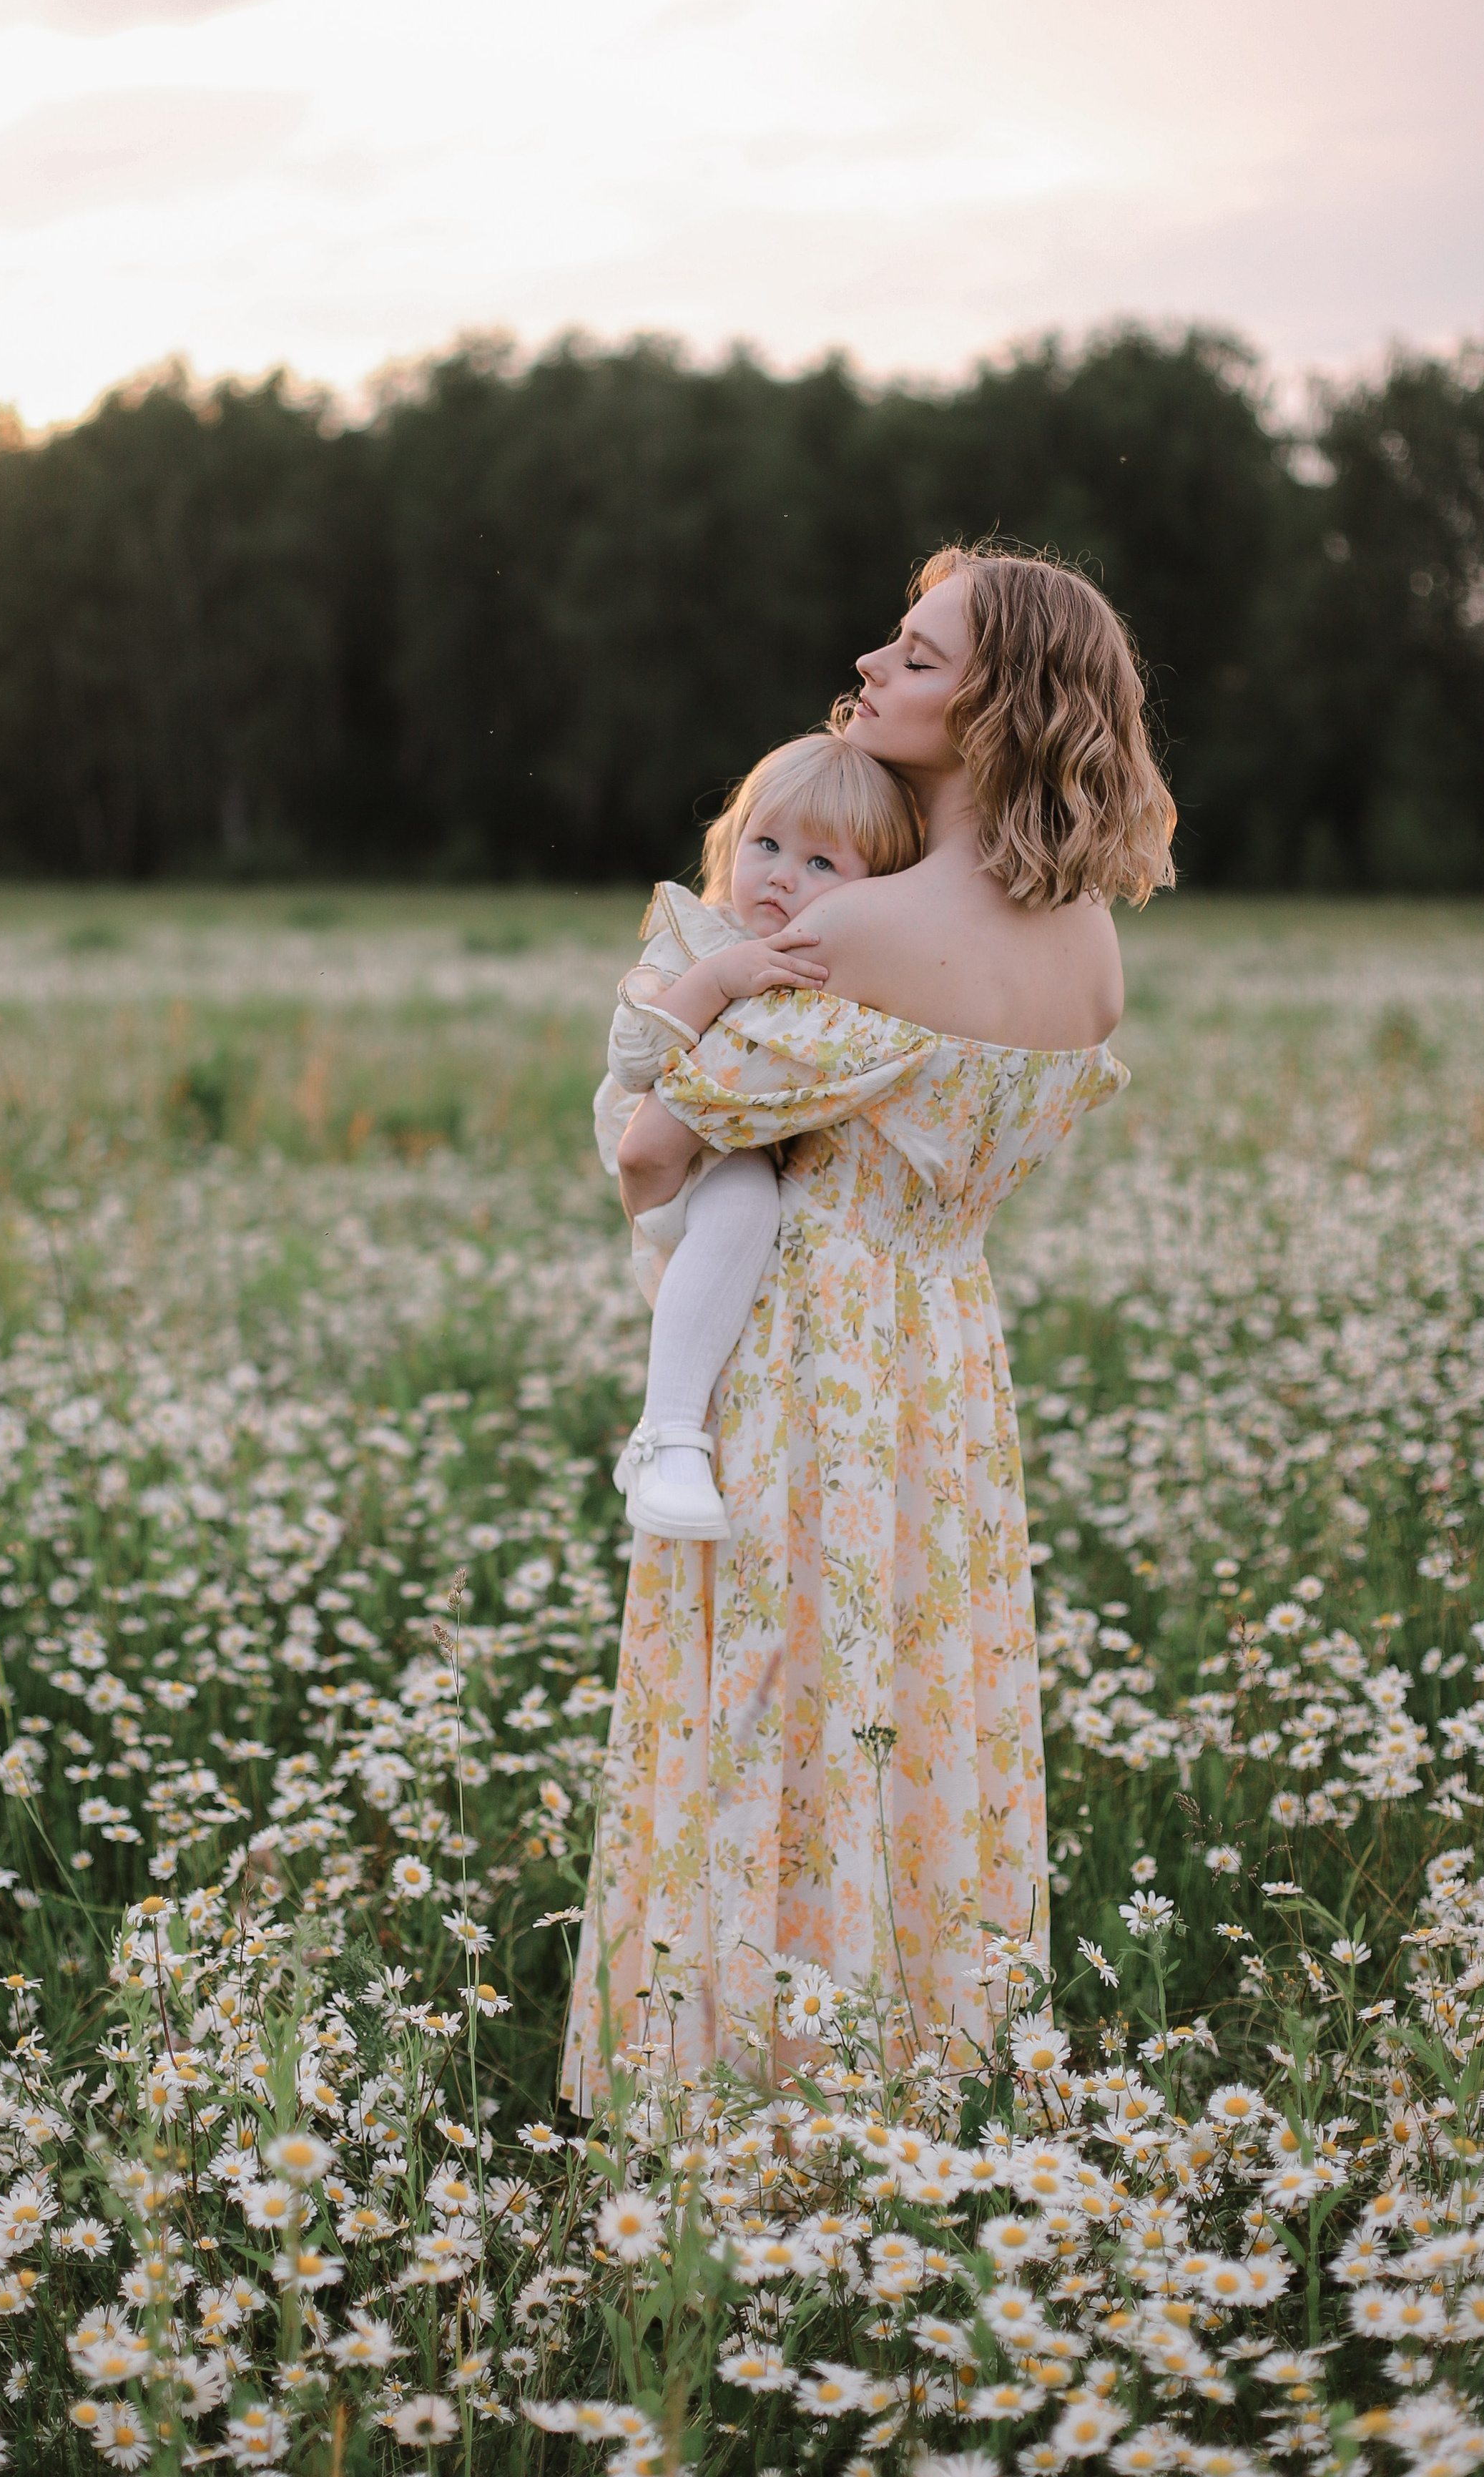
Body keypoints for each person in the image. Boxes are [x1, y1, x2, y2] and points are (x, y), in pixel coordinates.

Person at [564, 543, 1175, 2111]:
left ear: (996, 700)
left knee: (768, 1702)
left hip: (805, 1351)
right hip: (946, 1360)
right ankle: (914, 2077)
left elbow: (647, 1153)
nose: (876, 667)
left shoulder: (854, 934)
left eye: (915, 655)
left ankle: (733, 2097)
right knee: (917, 1701)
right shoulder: (1093, 949)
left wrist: (666, 1028)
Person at [594, 727, 921, 1543]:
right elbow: (632, 1058)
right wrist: (715, 982)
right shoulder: (702, 938)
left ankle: (682, 1432)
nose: (780, 876)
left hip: (764, 1151)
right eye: (766, 844)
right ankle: (666, 1439)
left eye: (821, 864)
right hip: (700, 1153)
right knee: (742, 1206)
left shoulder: (845, 956)